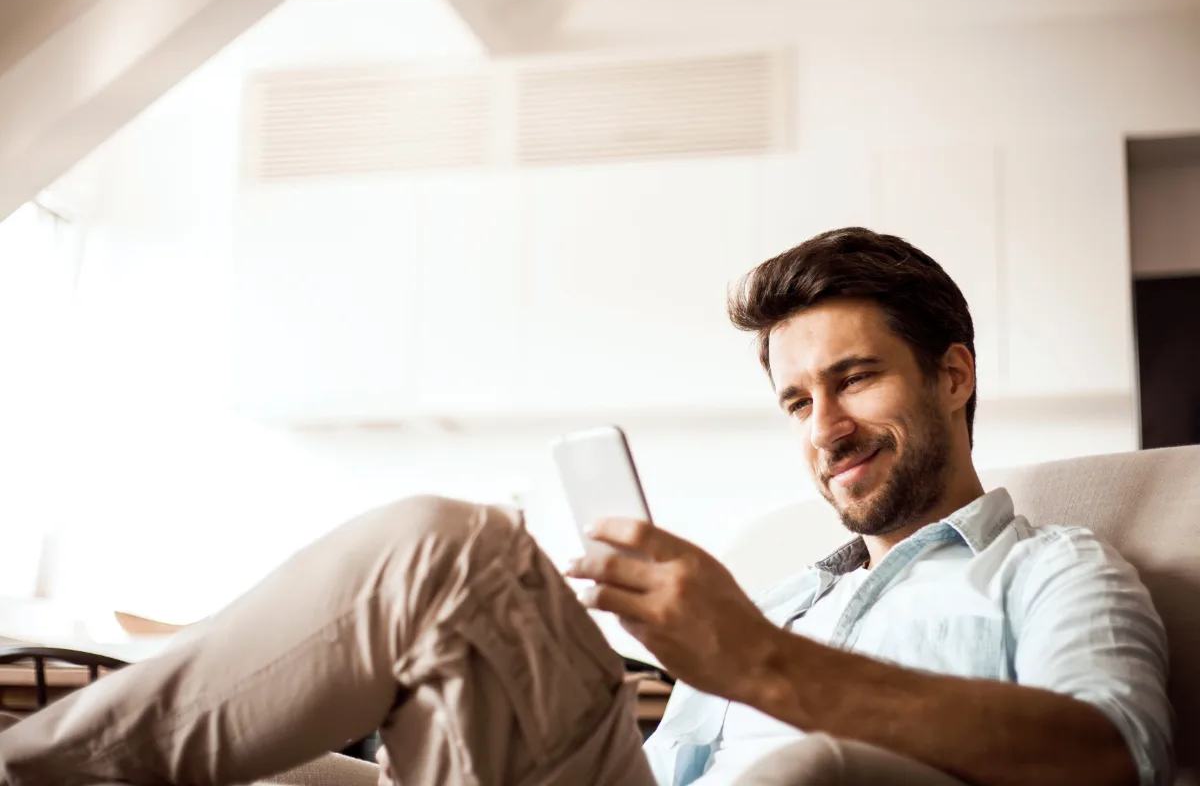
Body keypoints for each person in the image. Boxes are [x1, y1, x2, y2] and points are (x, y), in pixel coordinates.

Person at [0, 228, 1170, 786]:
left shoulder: (1053, 566)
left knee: (451, 548)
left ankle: (31, 771)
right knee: (345, 705)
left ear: (953, 376)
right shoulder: (793, 590)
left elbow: (1109, 756)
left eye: (856, 378)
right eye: (797, 398)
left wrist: (764, 665)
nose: (825, 427)